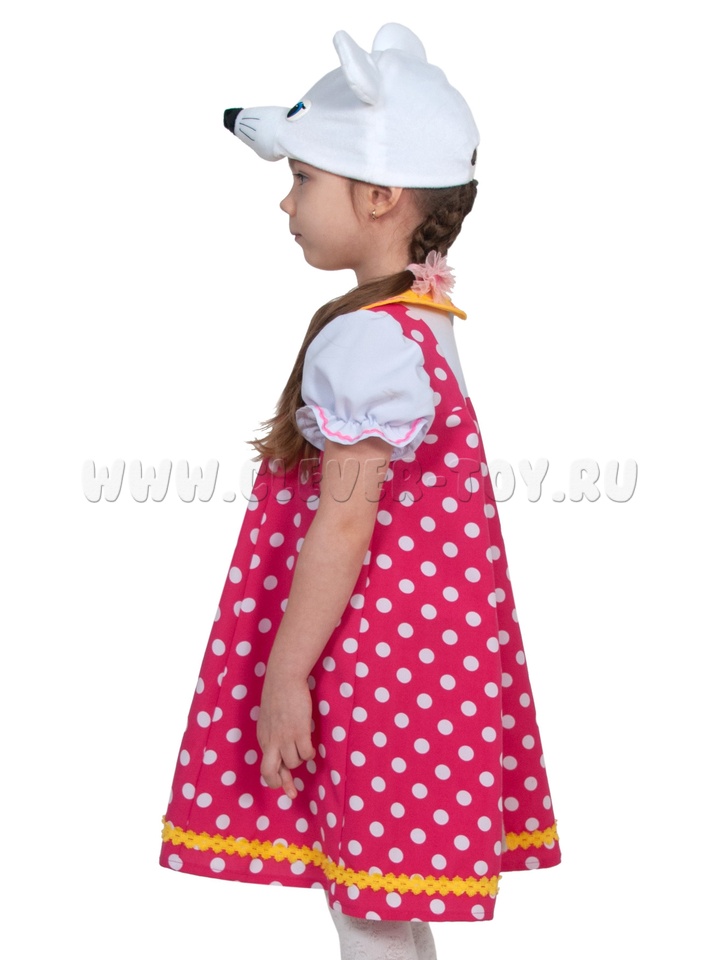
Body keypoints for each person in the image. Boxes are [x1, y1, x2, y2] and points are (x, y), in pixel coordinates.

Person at [160, 23, 561, 959]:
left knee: (369, 904)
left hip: (369, 655)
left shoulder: (371, 338)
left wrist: (285, 674)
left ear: (380, 196)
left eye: (304, 179)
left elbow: (343, 528)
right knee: (384, 891)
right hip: (426, 650)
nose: (286, 202)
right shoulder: (418, 317)